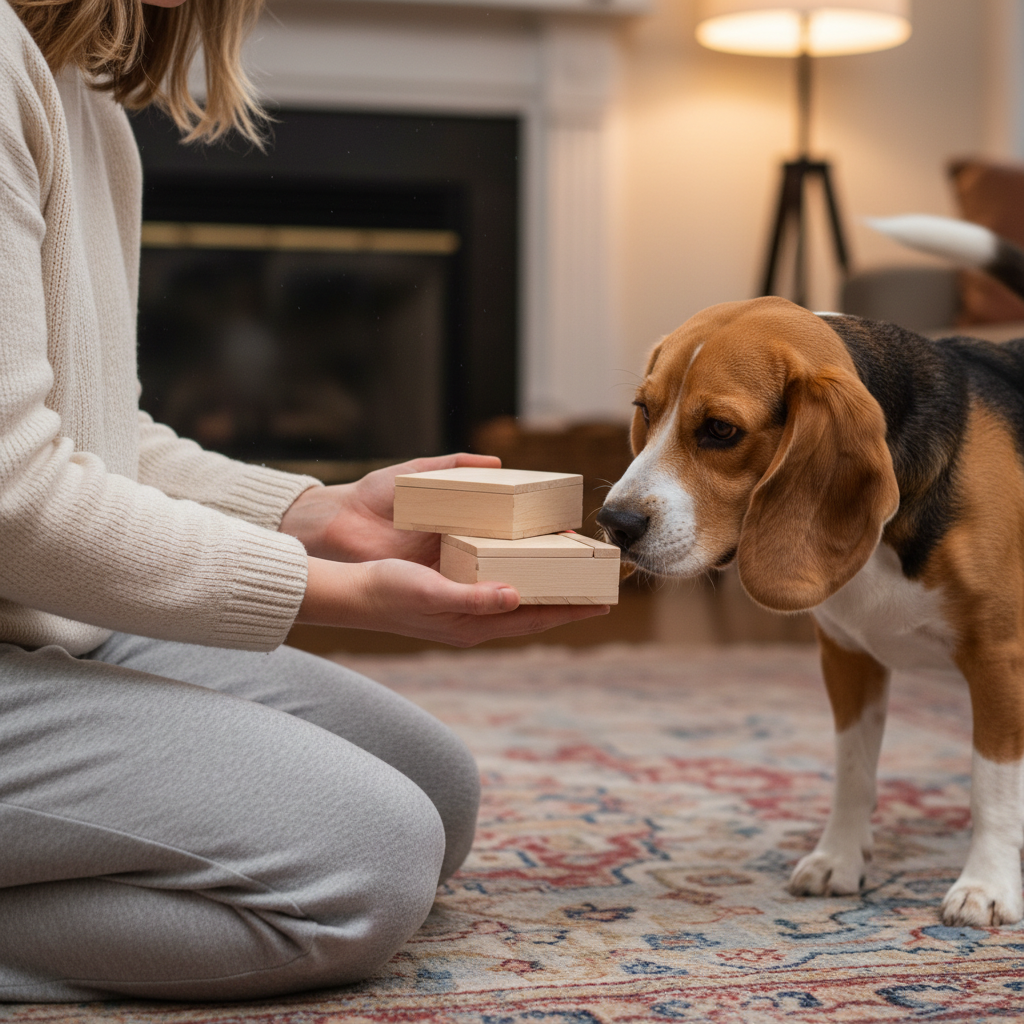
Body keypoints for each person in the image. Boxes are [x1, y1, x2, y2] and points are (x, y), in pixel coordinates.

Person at [0, 0, 609, 1002]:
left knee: (437, 795)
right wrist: (342, 593)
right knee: (357, 868)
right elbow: (17, 502)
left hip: (35, 626)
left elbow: (102, 435)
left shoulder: (86, 105)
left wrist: (317, 514)